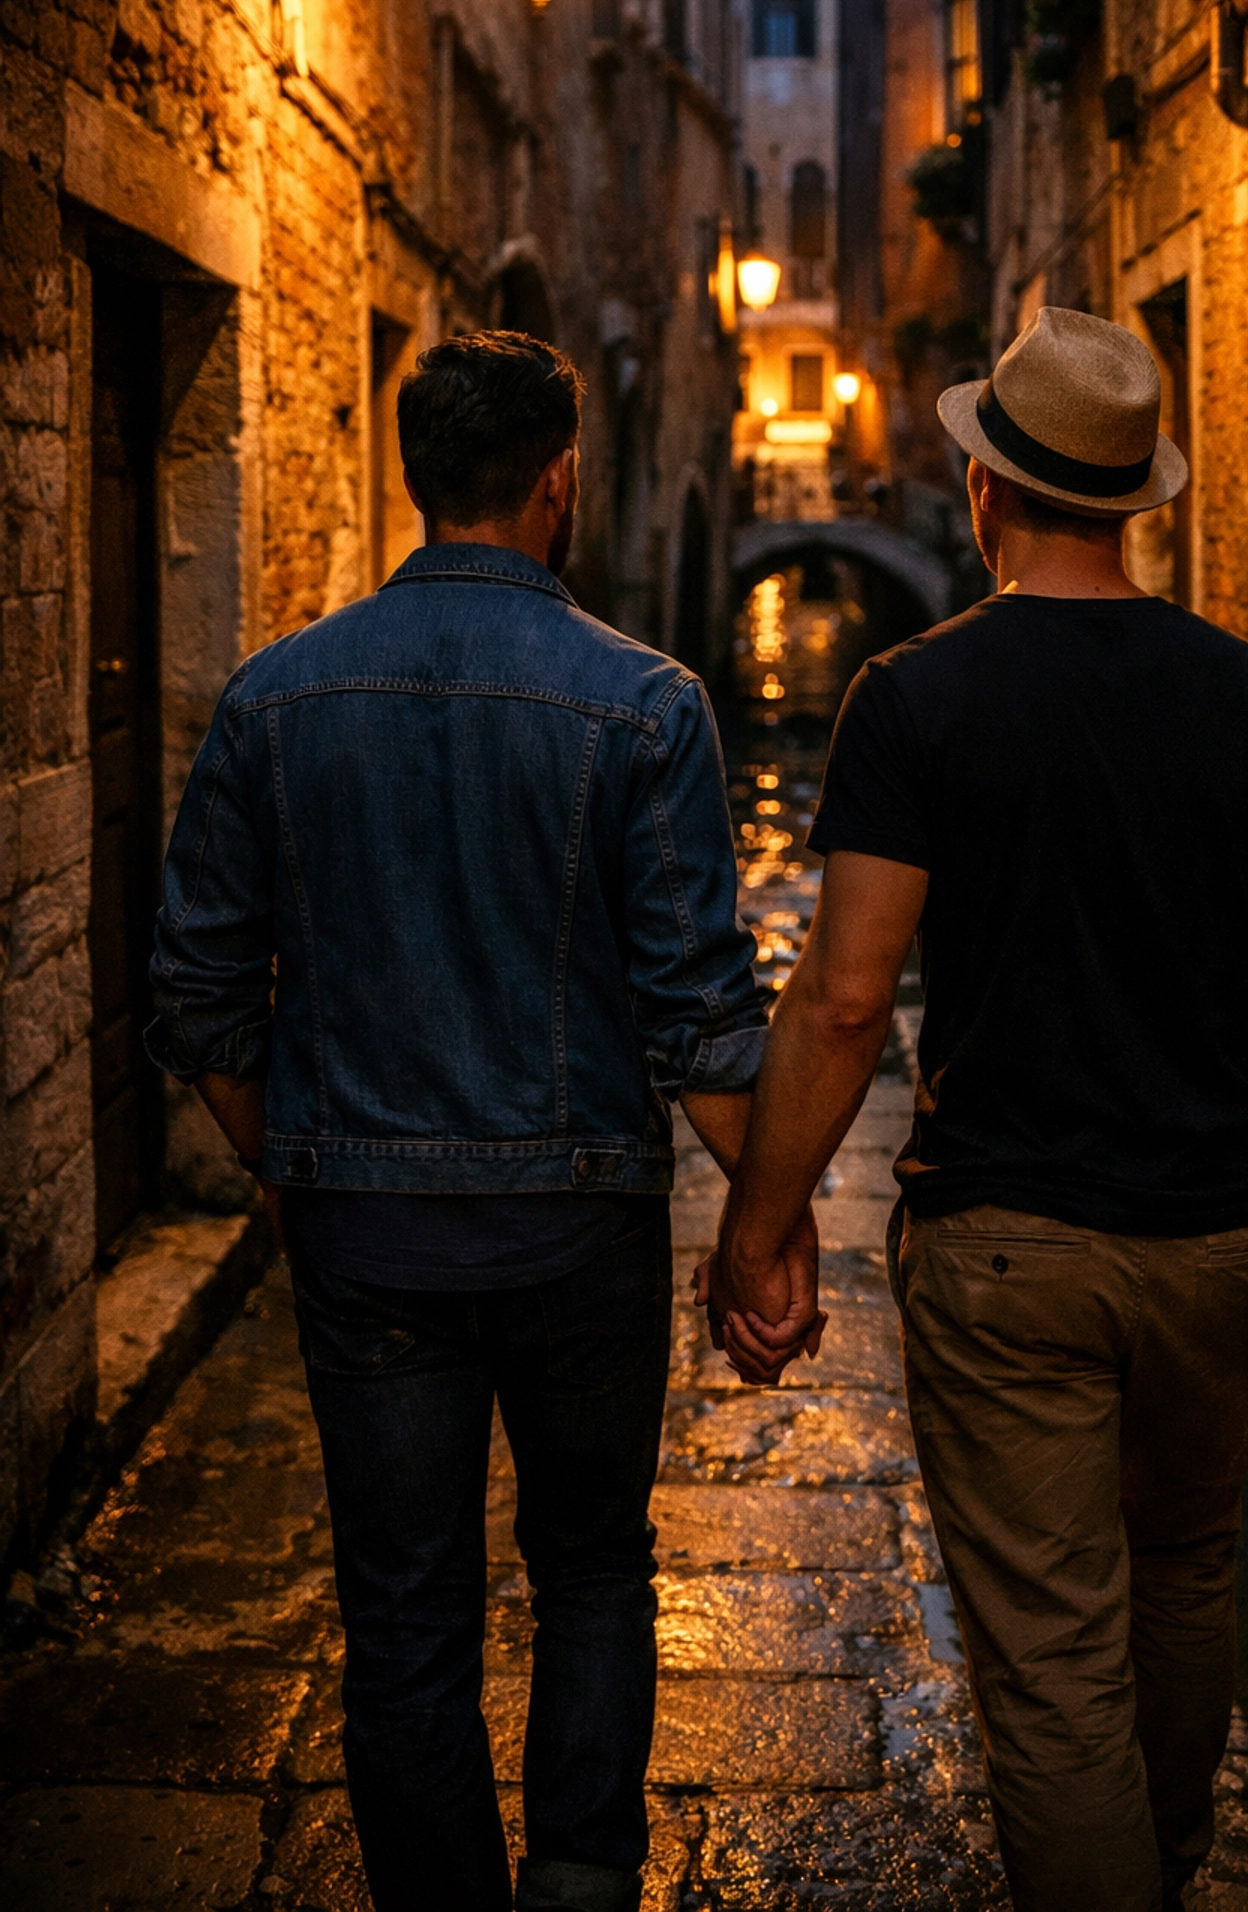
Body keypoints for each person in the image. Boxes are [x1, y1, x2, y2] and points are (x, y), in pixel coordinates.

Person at [704, 306, 1248, 1912]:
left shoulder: (915, 697)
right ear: (1140, 501)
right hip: (1212, 1238)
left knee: (1057, 1660)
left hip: (1009, 1250)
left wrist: (761, 1221)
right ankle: (1175, 1858)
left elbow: (847, 997)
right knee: (1186, 1576)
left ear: (987, 494)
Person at [147, 331, 807, 1912]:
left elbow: (198, 999)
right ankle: (582, 1887)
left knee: (404, 1615)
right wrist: (766, 1234)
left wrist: (287, 1161)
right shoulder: (649, 706)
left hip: (364, 1234)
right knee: (590, 1574)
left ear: (413, 479)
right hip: (578, 1229)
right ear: (560, 480)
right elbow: (706, 1023)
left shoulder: (268, 701)